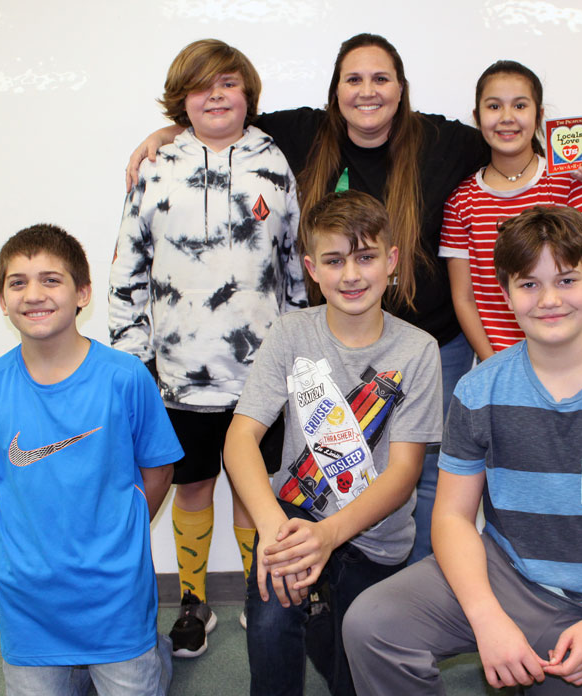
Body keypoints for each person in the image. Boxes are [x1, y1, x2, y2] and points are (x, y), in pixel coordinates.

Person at [125, 33, 582, 562]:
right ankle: (329, 581)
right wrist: (170, 132)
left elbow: (508, 141)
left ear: (401, 89)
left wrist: (564, 169)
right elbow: (223, 123)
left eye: (381, 78)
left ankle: (412, 594)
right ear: (336, 91)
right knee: (324, 473)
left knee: (424, 475)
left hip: (429, 347)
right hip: (330, 344)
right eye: (353, 79)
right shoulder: (304, 133)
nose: (367, 91)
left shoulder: (444, 142)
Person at [343, 206, 582, 696]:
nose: (549, 300)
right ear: (506, 293)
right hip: (504, 575)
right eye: (529, 284)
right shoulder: (479, 390)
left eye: (567, 280)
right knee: (372, 624)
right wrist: (488, 619)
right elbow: (450, 518)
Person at [109, 39, 307, 656]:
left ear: (247, 93)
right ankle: (194, 602)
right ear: (182, 101)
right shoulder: (157, 164)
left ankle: (258, 595)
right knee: (191, 488)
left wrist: (304, 351)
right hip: (176, 375)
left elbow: (295, 268)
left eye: (228, 83)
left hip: (263, 373)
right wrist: (132, 359)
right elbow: (127, 268)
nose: (216, 95)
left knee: (256, 490)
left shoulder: (275, 162)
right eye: (201, 87)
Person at [223, 190, 443, 695]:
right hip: (294, 520)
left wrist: (330, 537)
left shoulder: (418, 350)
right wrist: (274, 530)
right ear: (310, 269)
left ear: (390, 262)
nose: (351, 275)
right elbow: (240, 439)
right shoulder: (288, 333)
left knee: (352, 672)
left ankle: (325, 626)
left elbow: (404, 472)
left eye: (366, 258)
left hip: (377, 537)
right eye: (334, 260)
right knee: (271, 626)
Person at [0, 224, 182, 695]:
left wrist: (122, 525)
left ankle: (152, 651)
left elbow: (159, 469)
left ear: (83, 293)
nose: (33, 293)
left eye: (50, 279)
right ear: (2, 300)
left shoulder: (126, 378)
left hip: (114, 593)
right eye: (17, 282)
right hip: (28, 597)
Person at [440, 60, 582, 360]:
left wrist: (565, 351)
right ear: (477, 117)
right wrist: (494, 365)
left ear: (539, 115)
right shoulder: (461, 201)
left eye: (519, 106)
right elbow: (464, 297)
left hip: (574, 359)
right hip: (502, 365)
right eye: (494, 107)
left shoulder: (570, 183)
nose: (507, 118)